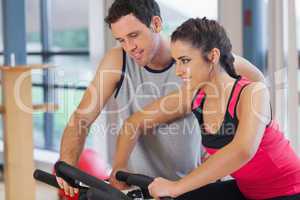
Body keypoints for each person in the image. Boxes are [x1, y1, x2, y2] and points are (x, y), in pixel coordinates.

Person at [56, 0, 265, 197]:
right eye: (121, 40)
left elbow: (256, 80)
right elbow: (81, 118)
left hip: (192, 187)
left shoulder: (193, 55)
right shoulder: (117, 60)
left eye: (134, 35)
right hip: (142, 188)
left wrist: (225, 140)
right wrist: (67, 164)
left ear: (156, 23)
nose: (129, 47)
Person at [130, 18, 300, 200]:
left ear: (213, 56)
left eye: (185, 60)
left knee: (177, 192)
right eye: (176, 61)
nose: (178, 71)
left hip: (288, 190)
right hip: (248, 191)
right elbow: (140, 119)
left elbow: (242, 150)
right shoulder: (197, 97)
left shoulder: (252, 93)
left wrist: (175, 186)